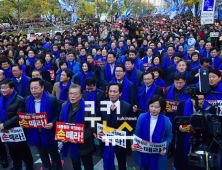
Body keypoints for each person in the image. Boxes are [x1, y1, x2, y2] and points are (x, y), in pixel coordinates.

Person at [19, 78, 62, 170]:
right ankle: (46, 168)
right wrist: (23, 122)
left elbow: (58, 115)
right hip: (36, 133)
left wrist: (52, 123)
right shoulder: (27, 100)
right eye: (31, 88)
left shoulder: (51, 99)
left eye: (36, 88)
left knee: (54, 155)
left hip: (49, 133)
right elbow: (27, 115)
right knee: (42, 155)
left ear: (42, 87)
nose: (33, 91)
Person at [97, 82, 134, 170]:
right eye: (110, 91)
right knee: (106, 161)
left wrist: (120, 135)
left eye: (115, 92)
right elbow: (98, 120)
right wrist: (100, 135)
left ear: (120, 93)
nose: (112, 94)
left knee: (121, 163)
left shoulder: (127, 107)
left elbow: (129, 125)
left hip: (119, 142)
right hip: (104, 140)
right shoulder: (102, 104)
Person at [174, 94, 216, 170]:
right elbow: (177, 119)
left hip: (202, 141)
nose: (199, 101)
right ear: (191, 98)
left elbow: (213, 125)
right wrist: (179, 127)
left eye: (201, 99)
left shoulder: (210, 108)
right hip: (184, 140)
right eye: (196, 99)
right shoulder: (183, 105)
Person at [60, 84, 95, 170]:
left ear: (80, 95)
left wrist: (79, 137)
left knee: (88, 166)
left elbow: (92, 127)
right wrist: (62, 136)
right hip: (71, 144)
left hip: (85, 146)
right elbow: (60, 122)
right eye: (70, 93)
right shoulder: (64, 106)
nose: (72, 96)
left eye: (75, 94)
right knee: (76, 166)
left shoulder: (89, 109)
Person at [132, 95, 172, 170]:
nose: (153, 109)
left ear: (161, 108)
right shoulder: (142, 117)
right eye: (151, 106)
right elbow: (137, 132)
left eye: (157, 107)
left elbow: (169, 136)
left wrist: (164, 147)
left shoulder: (166, 121)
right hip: (143, 152)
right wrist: (135, 144)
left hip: (158, 154)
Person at [0, 79, 34, 170]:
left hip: (17, 130)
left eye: (5, 88)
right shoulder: (0, 99)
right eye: (1, 88)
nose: (3, 90)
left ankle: (29, 165)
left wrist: (5, 125)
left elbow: (18, 116)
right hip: (5, 130)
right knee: (12, 150)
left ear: (12, 88)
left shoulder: (20, 100)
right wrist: (1, 125)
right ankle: (17, 165)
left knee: (23, 149)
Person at [165, 73, 190, 158]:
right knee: (170, 134)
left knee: (181, 135)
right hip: (170, 115)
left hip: (183, 116)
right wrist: (166, 108)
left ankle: (181, 151)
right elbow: (164, 102)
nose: (179, 85)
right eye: (176, 83)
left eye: (181, 83)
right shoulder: (168, 89)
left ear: (185, 82)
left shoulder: (189, 91)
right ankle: (171, 150)